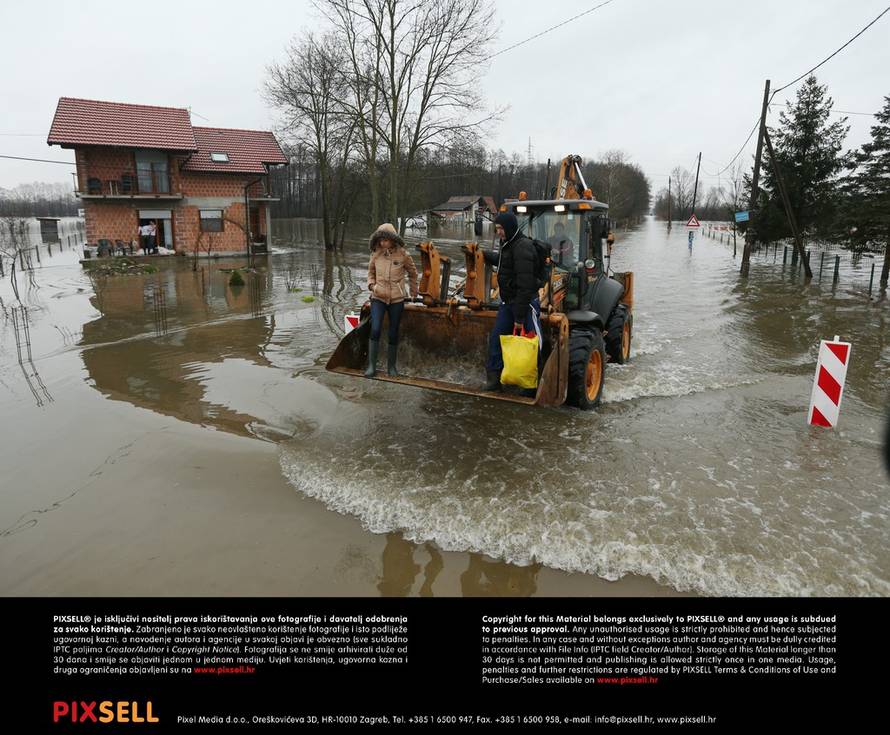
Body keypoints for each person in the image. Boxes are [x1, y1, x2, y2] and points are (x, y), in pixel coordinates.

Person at [482, 212, 540, 392]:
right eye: (497, 228)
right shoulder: (508, 245)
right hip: (507, 303)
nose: (498, 232)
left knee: (530, 342)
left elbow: (525, 285)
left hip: (525, 303)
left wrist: (520, 317)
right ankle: (494, 379)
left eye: (500, 228)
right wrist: (482, 254)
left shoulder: (523, 248)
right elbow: (503, 262)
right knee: (496, 339)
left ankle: (529, 385)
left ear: (509, 228)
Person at [365, 222, 418, 377]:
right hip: (378, 298)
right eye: (380, 240)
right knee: (375, 329)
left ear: (392, 239)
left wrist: (414, 289)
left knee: (393, 332)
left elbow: (413, 273)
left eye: (385, 239)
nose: (382, 243)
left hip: (396, 299)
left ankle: (391, 367)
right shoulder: (375, 253)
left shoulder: (403, 254)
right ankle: (371, 366)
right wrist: (372, 286)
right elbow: (370, 273)